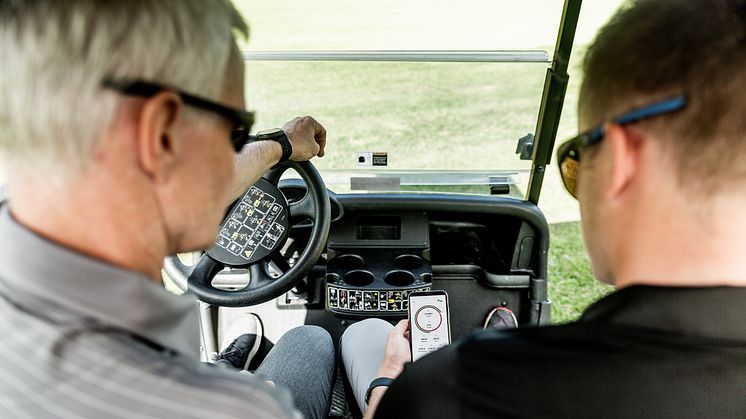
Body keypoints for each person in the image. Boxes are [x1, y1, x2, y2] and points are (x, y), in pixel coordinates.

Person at [342, 0, 746, 417]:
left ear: (621, 164)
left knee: (358, 338)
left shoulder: (455, 390)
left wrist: (391, 381)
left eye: (577, 161)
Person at [0, 1, 335, 418]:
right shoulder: (243, 410)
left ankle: (215, 366)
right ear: (158, 136)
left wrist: (279, 145)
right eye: (234, 128)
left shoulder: (34, 203)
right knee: (311, 342)